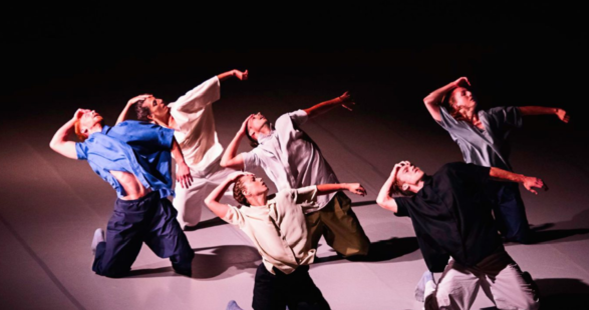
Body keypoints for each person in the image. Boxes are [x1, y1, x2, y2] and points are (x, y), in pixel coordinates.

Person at [205, 171, 367, 310]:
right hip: (271, 278)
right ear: (246, 192)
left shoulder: (285, 197)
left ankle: (291, 302)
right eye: (253, 180)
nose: (260, 179)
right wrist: (230, 179)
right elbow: (210, 201)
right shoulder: (242, 215)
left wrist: (346, 186)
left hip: (298, 274)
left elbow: (315, 190)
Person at [376, 161, 546, 310]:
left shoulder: (449, 173)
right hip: (462, 264)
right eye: (405, 170)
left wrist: (523, 178)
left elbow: (489, 172)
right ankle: (429, 284)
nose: (410, 166)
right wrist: (394, 172)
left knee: (532, 306)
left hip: (492, 256)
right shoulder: (412, 204)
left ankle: (514, 283)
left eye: (410, 164)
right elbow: (382, 200)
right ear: (404, 186)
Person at [219, 92, 370, 258]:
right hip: (300, 209)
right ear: (251, 132)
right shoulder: (258, 154)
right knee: (294, 258)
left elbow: (313, 111)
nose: (257, 114)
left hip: (329, 197)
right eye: (253, 118)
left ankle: (337, 237)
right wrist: (240, 132)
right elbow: (226, 162)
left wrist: (339, 100)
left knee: (360, 250)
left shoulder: (285, 122)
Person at [49, 108, 194, 277]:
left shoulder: (124, 129)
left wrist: (182, 164)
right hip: (128, 211)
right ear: (84, 131)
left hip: (155, 205)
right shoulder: (87, 149)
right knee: (111, 270)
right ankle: (101, 246)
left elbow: (165, 137)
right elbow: (56, 143)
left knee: (184, 261)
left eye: (90, 111)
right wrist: (74, 118)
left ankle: (177, 256)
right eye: (86, 115)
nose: (92, 111)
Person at [423, 77, 569, 243]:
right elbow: (428, 101)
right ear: (455, 105)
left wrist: (555, 110)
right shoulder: (454, 124)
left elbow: (522, 111)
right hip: (476, 182)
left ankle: (505, 227)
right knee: (478, 236)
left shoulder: (491, 116)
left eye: (469, 91)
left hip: (504, 178)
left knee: (521, 236)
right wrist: (454, 84)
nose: (470, 93)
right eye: (463, 94)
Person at [118, 69, 248, 229]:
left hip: (217, 165)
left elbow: (205, 87)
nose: (160, 100)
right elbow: (118, 131)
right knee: (183, 222)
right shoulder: (152, 131)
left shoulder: (181, 107)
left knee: (249, 195)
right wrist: (129, 103)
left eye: (156, 98)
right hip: (190, 176)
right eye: (154, 103)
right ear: (151, 116)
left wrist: (232, 73)